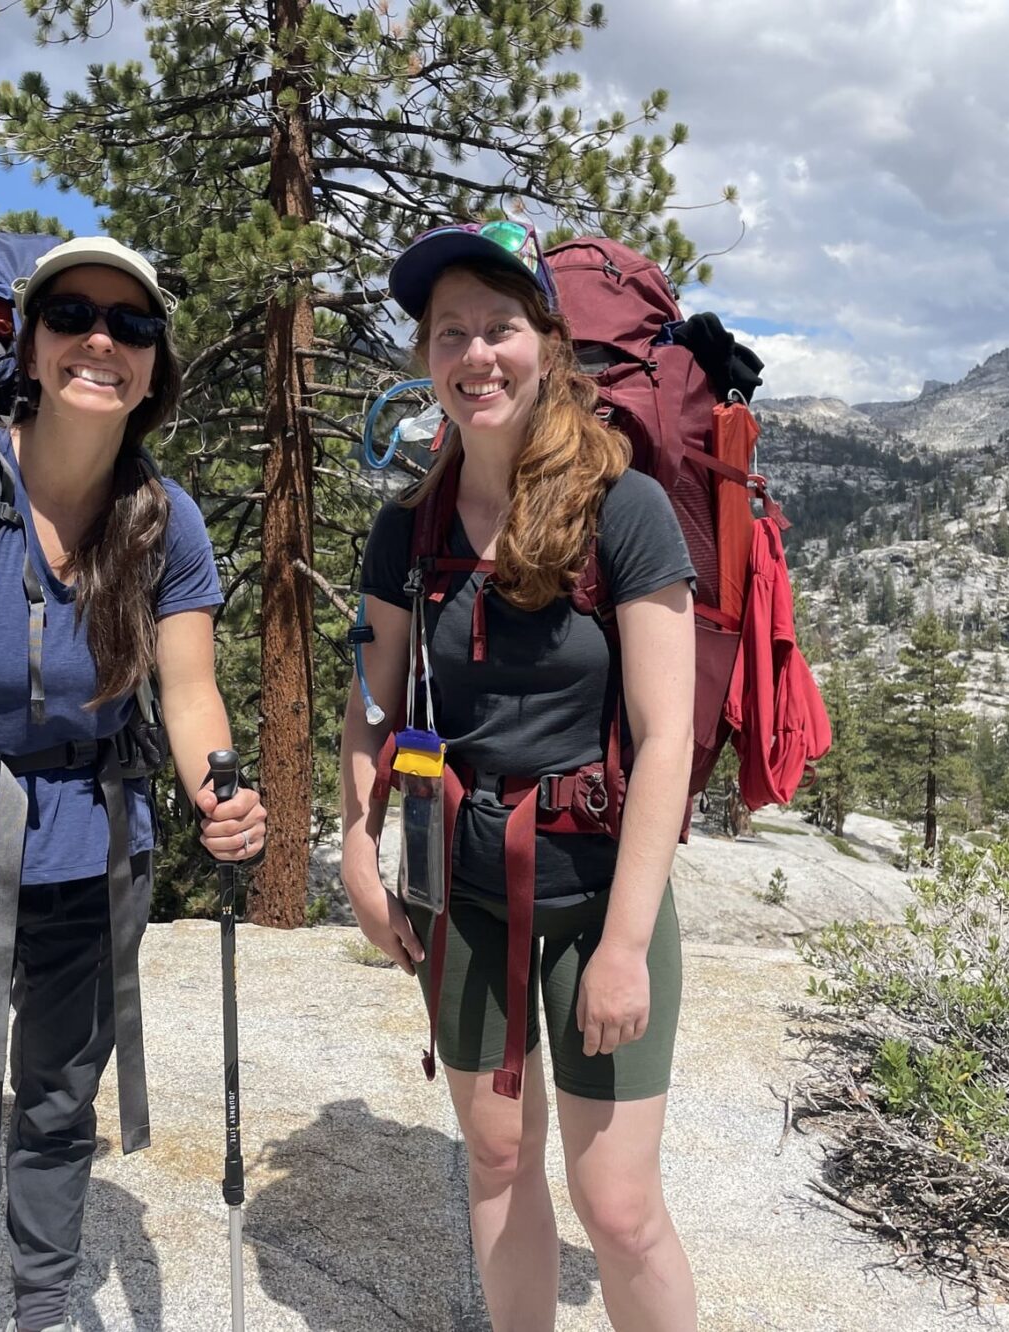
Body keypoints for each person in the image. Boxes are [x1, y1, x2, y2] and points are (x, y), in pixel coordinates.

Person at [0, 235, 266, 1332]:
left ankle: (43, 1309)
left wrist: (221, 797)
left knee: (62, 1110)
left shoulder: (164, 521)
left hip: (96, 857)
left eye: (132, 325)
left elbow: (191, 692)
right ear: (30, 344)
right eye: (72, 315)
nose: (100, 340)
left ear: (155, 366)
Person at [339, 220, 700, 1331]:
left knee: (618, 1204)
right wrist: (357, 849)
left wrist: (626, 949)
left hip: (598, 895)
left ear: (547, 342)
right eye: (450, 333)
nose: (475, 355)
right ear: (426, 359)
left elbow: (668, 736)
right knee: (497, 1160)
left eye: (499, 327)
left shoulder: (622, 509)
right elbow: (371, 704)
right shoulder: (409, 531)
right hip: (467, 895)